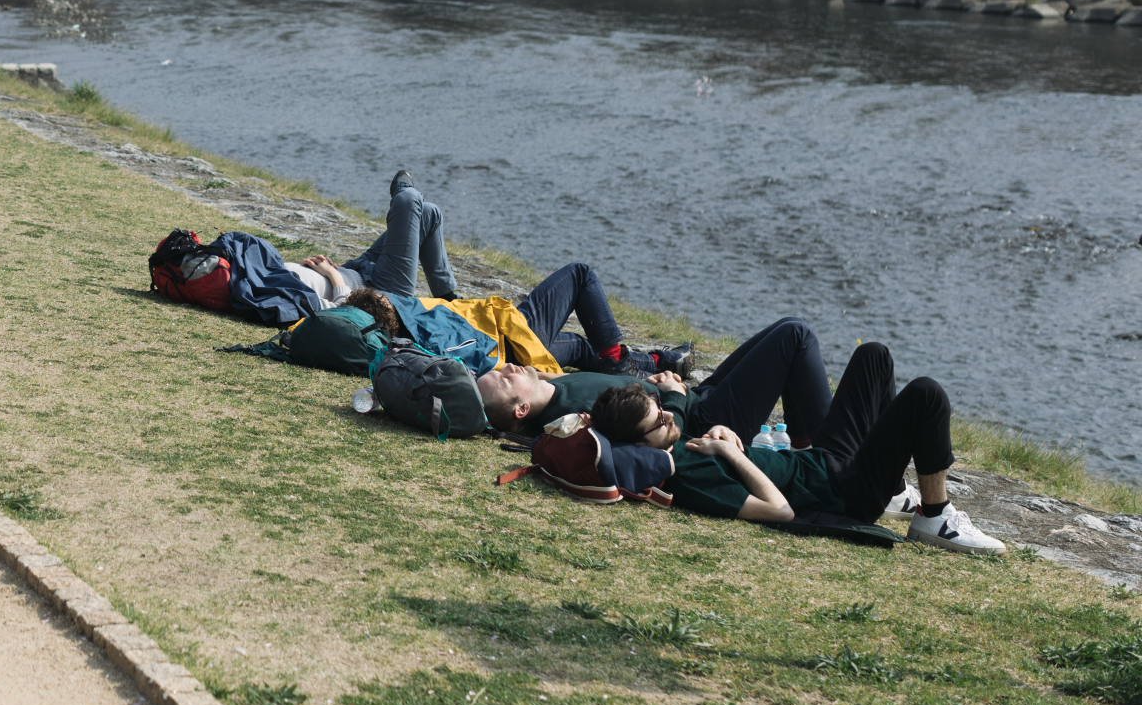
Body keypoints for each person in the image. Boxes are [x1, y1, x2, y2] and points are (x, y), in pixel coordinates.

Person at [587, 343, 1005, 555]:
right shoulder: (688, 473)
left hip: (822, 461)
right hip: (847, 491)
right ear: (638, 444)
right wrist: (731, 455)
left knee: (873, 356)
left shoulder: (679, 445)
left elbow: (716, 442)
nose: (668, 419)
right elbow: (779, 511)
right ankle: (934, 517)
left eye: (661, 410)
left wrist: (727, 436)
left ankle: (896, 487)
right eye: (658, 423)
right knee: (927, 396)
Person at [305, 170, 692, 377]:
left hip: (507, 350)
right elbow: (342, 308)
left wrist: (340, 284)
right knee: (579, 274)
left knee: (572, 345)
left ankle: (655, 363)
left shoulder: (391, 340)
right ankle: (618, 360)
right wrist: (338, 280)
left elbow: (342, 314)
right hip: (504, 337)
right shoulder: (405, 315)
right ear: (381, 302)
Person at [479, 314, 833, 440]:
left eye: (503, 369)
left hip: (697, 396)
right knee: (796, 336)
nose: (509, 367)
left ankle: (803, 445)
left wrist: (650, 383)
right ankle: (829, 451)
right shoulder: (570, 416)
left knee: (786, 326)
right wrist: (671, 395)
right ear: (522, 409)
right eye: (506, 379)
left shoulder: (549, 389)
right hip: (705, 422)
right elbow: (651, 436)